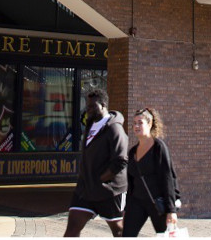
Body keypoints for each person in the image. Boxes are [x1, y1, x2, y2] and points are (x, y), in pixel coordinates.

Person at [65, 89, 128, 237]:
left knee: (119, 231)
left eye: (93, 106)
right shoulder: (90, 125)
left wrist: (102, 179)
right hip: (85, 189)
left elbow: (121, 159)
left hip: (109, 191)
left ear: (103, 105)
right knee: (73, 228)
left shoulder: (114, 128)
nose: (89, 110)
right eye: (87, 107)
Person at [122, 107, 180, 237]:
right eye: (134, 123)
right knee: (127, 235)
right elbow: (131, 184)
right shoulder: (132, 152)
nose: (136, 126)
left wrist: (171, 210)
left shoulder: (159, 147)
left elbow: (168, 179)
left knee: (163, 235)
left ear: (149, 124)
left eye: (140, 122)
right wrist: (127, 209)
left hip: (157, 202)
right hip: (137, 202)